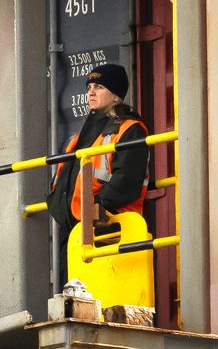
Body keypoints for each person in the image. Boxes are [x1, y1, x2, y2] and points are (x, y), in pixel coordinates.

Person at [49, 63, 151, 273]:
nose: (91, 92)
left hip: (110, 229)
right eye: (89, 87)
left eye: (99, 87)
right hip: (75, 232)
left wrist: (96, 208)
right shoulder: (79, 139)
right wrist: (57, 207)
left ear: (116, 96)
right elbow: (61, 181)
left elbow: (127, 181)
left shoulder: (129, 129)